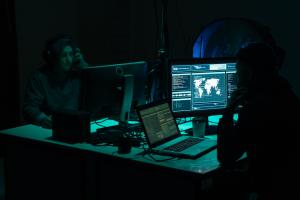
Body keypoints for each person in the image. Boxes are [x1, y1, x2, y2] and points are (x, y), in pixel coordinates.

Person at [216, 42, 300, 200]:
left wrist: (228, 112)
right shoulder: (285, 93)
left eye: (237, 71)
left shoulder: (255, 108)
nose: (236, 76)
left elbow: (226, 157)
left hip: (271, 188)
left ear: (248, 73)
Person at [23, 34, 89, 129]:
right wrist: (42, 119)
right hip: (50, 128)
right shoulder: (39, 77)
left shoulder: (76, 76)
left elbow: (97, 90)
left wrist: (84, 66)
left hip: (74, 125)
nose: (69, 60)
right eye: (64, 55)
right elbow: (29, 107)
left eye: (71, 54)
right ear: (53, 57)